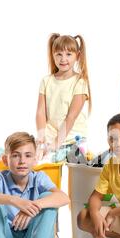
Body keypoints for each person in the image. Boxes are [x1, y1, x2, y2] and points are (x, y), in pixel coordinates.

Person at [36, 33, 91, 161]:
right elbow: (40, 113)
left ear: (77, 56)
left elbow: (71, 117)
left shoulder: (80, 82)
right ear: (53, 55)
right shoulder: (46, 81)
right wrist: (41, 139)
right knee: (47, 176)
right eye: (59, 54)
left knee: (77, 177)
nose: (63, 59)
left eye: (68, 54)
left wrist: (57, 143)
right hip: (50, 140)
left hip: (74, 140)